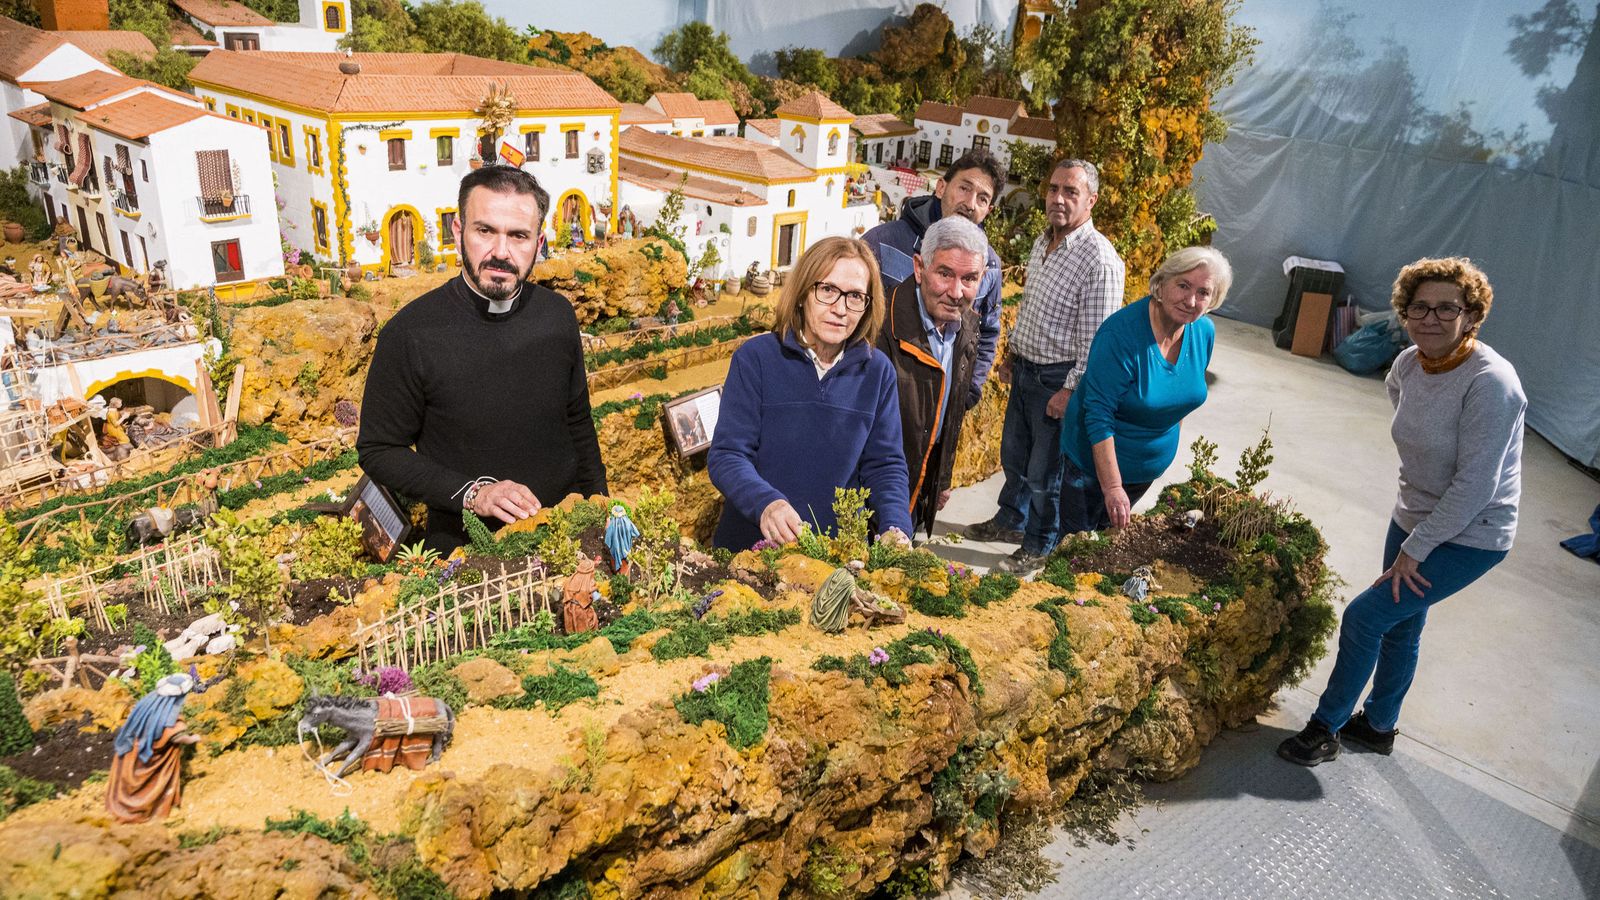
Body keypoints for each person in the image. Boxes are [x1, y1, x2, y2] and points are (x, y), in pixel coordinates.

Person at [1279, 257, 1525, 766]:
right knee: (1402, 623)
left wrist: (1416, 549)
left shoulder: (1492, 383)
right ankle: (1379, 724)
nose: (1430, 319)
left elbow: (1476, 485)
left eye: (1446, 309)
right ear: (1405, 312)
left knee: (1366, 617)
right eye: (1419, 308)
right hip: (1414, 514)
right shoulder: (1409, 363)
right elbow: (1406, 413)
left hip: (1473, 532)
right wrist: (1414, 523)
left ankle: (1325, 728)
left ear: (1471, 315)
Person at [357, 166, 607, 552]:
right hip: (467, 545)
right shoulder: (410, 334)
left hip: (566, 530)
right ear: (459, 232)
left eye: (518, 235)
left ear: (538, 242)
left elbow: (578, 420)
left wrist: (599, 508)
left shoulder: (558, 315)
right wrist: (474, 494)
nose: (501, 252)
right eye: (485, 230)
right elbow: (379, 450)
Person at [967, 160, 1125, 575]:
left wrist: (1070, 391)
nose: (1058, 198)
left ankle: (1040, 544)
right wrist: (1013, 355)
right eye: (1053, 188)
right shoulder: (1044, 241)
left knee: (1045, 472)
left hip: (1058, 380)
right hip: (1027, 371)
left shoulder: (1100, 261)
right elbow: (1036, 310)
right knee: (1015, 458)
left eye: (1070, 192)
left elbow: (1097, 341)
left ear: (1091, 200)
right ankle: (1010, 520)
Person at [708, 236, 913, 550]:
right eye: (828, 290)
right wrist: (767, 504)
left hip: (835, 555)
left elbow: (885, 465)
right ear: (803, 292)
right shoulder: (757, 359)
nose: (840, 309)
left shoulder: (878, 372)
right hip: (752, 548)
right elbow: (728, 455)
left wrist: (895, 526)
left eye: (855, 296)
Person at [1059, 246, 1232, 534]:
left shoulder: (1204, 333)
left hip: (1145, 470)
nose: (1191, 300)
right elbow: (1098, 416)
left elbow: (1182, 393)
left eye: (1203, 292)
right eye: (1183, 285)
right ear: (1162, 284)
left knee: (1108, 545)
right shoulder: (1120, 335)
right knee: (1076, 547)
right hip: (1092, 470)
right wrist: (1112, 486)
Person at [862, 148, 1006, 406]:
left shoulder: (990, 266)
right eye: (964, 188)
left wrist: (968, 391)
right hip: (877, 397)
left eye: (982, 199)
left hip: (942, 407)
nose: (971, 203)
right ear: (941, 188)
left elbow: (987, 332)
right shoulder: (881, 242)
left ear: (989, 210)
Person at [875, 216, 986, 538]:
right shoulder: (881, 327)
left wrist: (941, 477)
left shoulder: (967, 327)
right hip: (876, 490)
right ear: (919, 268)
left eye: (970, 278)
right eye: (945, 274)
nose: (956, 292)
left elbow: (949, 413)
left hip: (920, 482)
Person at [107, 671, 207, 823]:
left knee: (127, 783)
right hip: (146, 756)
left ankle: (120, 805)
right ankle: (142, 811)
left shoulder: (148, 703)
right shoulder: (167, 717)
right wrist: (193, 738)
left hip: (131, 749)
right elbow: (174, 735)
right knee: (147, 787)